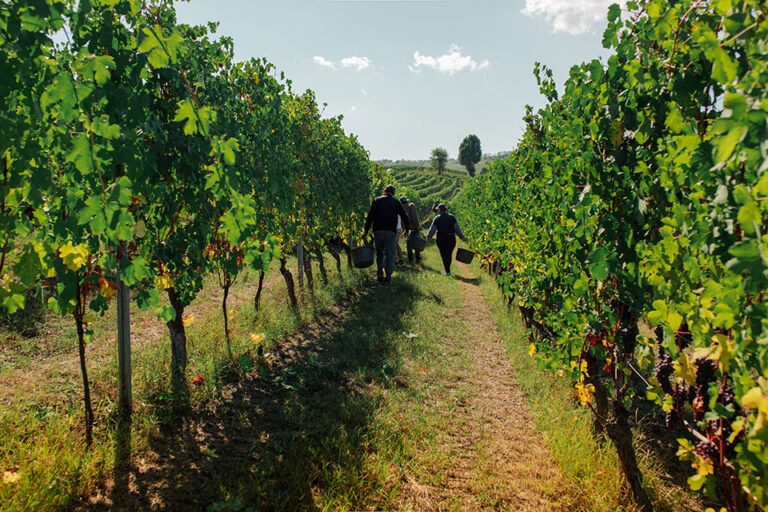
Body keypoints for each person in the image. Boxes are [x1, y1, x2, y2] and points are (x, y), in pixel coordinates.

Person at [364, 185, 409, 283]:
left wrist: (366, 231)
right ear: (393, 193)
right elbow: (404, 216)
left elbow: (370, 216)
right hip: (391, 231)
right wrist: (407, 230)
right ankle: (388, 275)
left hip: (378, 230)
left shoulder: (377, 200)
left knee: (380, 252)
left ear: (384, 191)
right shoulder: (396, 202)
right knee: (390, 253)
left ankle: (380, 273)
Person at [426, 203, 467, 277]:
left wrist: (429, 237)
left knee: (444, 255)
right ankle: (447, 270)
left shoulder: (437, 218)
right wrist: (462, 237)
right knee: (449, 254)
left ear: (439, 210)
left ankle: (447, 272)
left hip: (441, 239)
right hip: (451, 239)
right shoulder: (452, 217)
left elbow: (432, 229)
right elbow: (457, 228)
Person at [402, 196, 422, 264]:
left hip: (406, 230)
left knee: (409, 245)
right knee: (416, 243)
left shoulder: (400, 209)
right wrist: (418, 226)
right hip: (413, 228)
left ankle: (411, 260)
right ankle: (418, 258)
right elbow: (414, 217)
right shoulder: (411, 206)